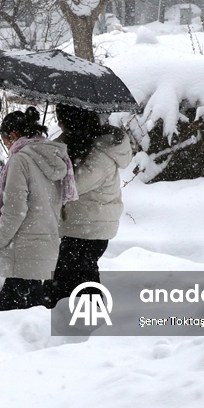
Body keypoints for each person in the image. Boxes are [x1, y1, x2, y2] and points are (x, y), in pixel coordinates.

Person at [0, 107, 77, 311]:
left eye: (6, 141)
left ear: (13, 135)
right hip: (46, 242)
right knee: (33, 308)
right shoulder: (54, 156)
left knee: (7, 314)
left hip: (22, 247)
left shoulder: (21, 160)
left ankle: (47, 339)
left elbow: (15, 209)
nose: (7, 146)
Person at [49, 103, 133, 303]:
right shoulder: (78, 143)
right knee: (77, 276)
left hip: (90, 226)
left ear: (69, 121)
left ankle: (88, 320)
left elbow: (72, 186)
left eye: (60, 119)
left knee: (73, 278)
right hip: (79, 225)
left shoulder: (99, 153)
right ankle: (83, 320)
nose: (58, 123)